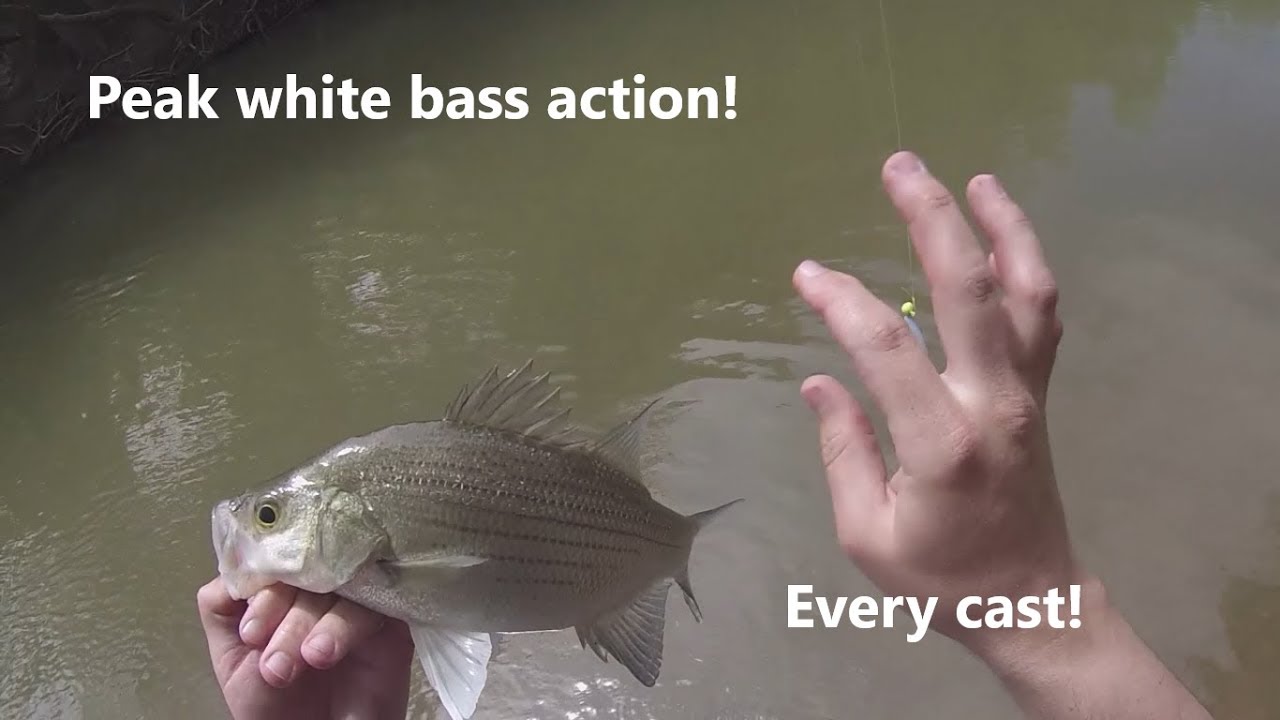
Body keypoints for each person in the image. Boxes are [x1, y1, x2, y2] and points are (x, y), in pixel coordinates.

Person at [197, 150, 1214, 719]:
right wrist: (1038, 620)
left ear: (342, 520)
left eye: (275, 513)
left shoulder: (381, 521)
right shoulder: (380, 552)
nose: (253, 528)